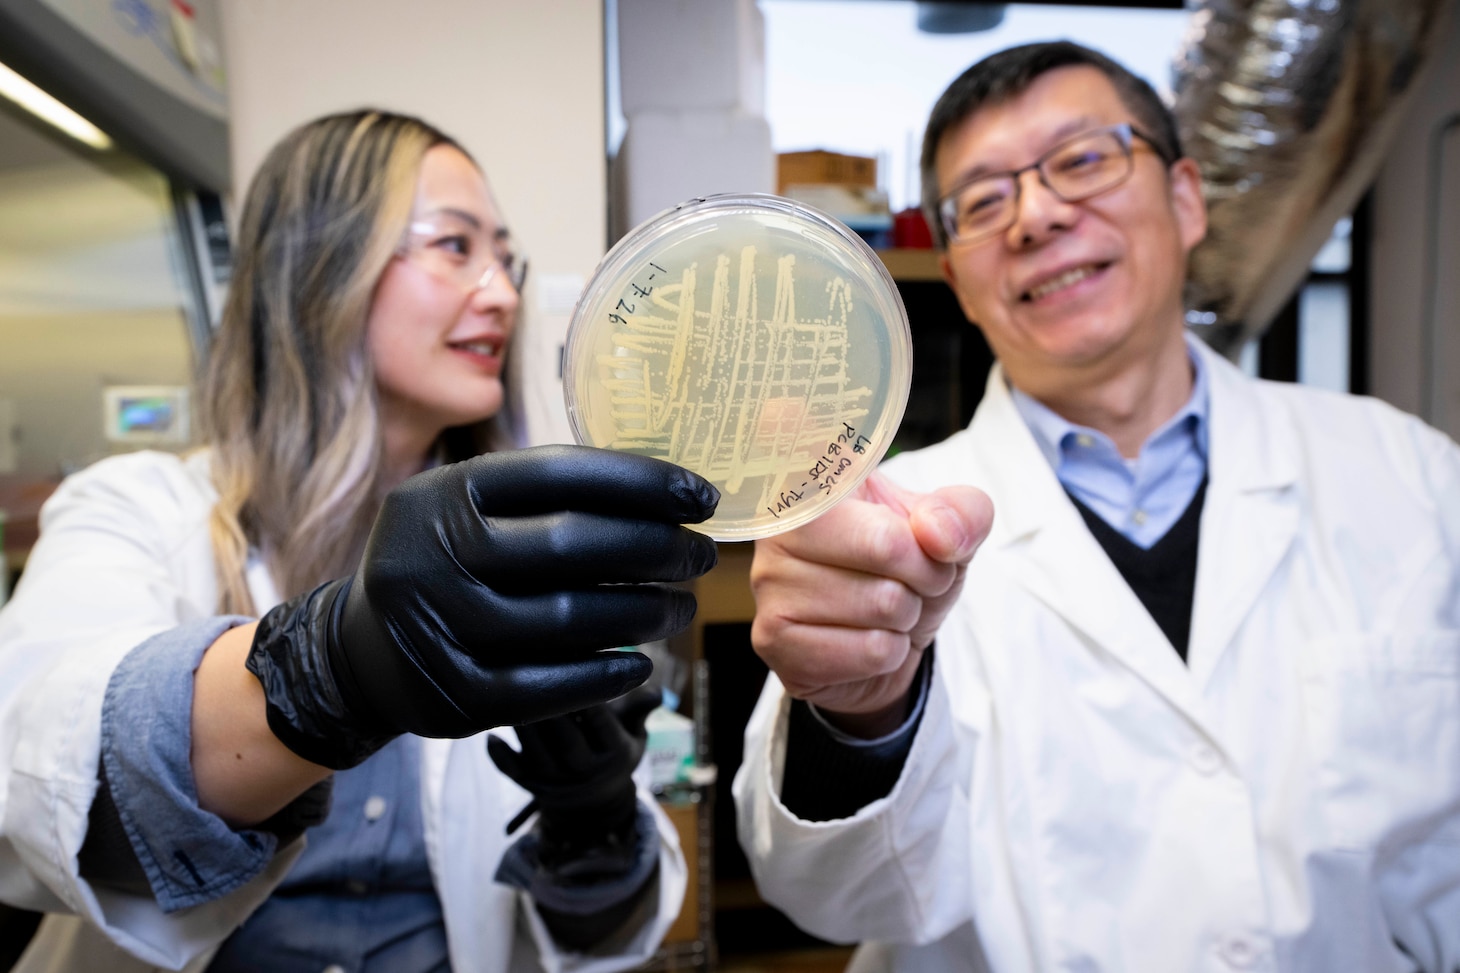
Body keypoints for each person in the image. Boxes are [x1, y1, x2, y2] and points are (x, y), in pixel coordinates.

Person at [734, 40, 1460, 972]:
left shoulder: (1411, 475)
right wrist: (862, 715)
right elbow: (830, 896)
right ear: (957, 279)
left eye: (1082, 160)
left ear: (1187, 199)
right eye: (983, 202)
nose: (1036, 216)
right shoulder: (882, 531)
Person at [0, 109, 721, 973]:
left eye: (505, 258)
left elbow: (606, 936)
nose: (501, 292)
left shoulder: (528, 557)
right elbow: (33, 769)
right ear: (319, 267)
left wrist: (593, 820)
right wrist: (323, 671)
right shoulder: (139, 507)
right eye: (454, 245)